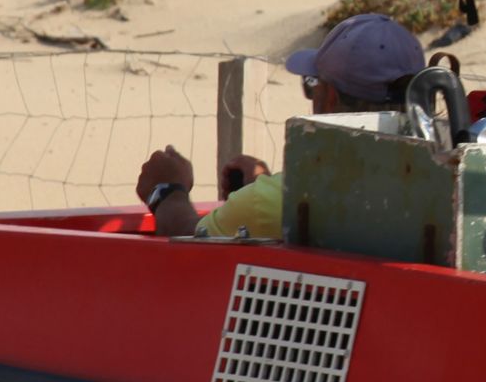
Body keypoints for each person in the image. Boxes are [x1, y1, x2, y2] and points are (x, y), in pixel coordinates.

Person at [136, 12, 426, 237]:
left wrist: (167, 190)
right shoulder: (433, 189)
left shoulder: (278, 202)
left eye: (313, 86)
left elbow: (190, 237)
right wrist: (266, 183)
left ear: (329, 99)